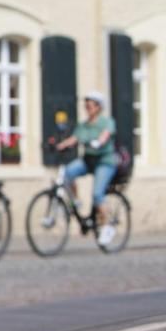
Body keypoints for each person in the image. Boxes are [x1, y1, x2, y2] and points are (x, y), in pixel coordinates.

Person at [55, 91, 119, 247]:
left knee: (97, 194)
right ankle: (76, 201)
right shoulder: (83, 125)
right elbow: (75, 138)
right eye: (86, 105)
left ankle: (108, 226)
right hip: (88, 160)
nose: (87, 108)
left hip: (105, 161)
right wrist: (61, 145)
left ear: (98, 107)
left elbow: (106, 135)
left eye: (90, 105)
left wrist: (99, 142)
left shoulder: (106, 122)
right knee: (67, 173)